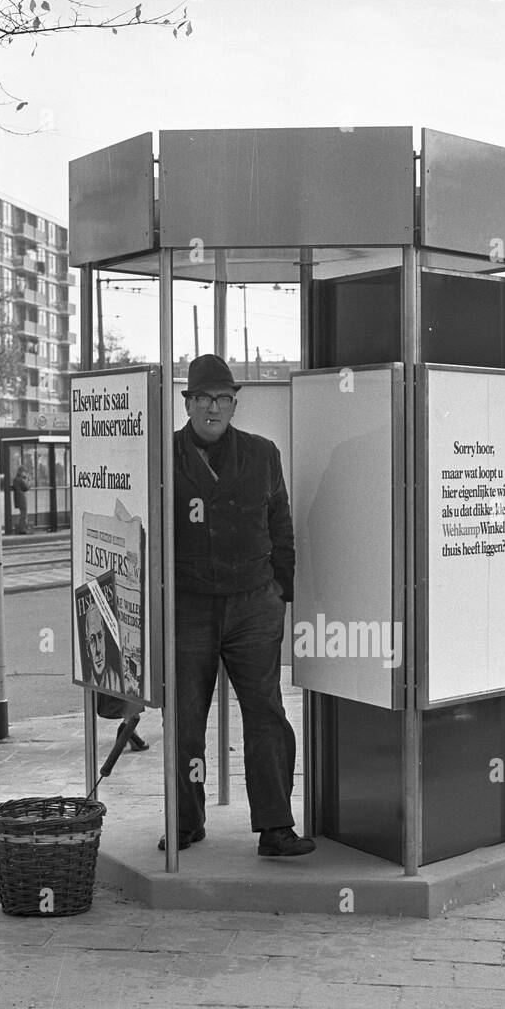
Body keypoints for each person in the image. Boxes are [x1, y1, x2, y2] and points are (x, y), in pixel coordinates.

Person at [166, 353, 315, 859]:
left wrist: (280, 593)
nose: (213, 408)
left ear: (234, 404)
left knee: (266, 715)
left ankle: (275, 827)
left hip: (254, 604)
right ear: (187, 403)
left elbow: (281, 525)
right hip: (190, 608)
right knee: (186, 720)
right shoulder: (164, 458)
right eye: (203, 399)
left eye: (223, 399)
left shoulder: (262, 454)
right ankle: (185, 820)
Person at [84, 602, 122, 693]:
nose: (98, 650)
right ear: (87, 650)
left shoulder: (116, 680)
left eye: (100, 636)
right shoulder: (86, 679)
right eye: (92, 640)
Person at [11, 464, 30, 534]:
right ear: (21, 472)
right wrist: (27, 480)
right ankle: (22, 530)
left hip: (17, 499)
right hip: (22, 499)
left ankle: (21, 528)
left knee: (22, 514)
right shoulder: (19, 480)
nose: (24, 473)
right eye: (23, 472)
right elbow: (26, 487)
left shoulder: (15, 479)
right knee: (23, 515)